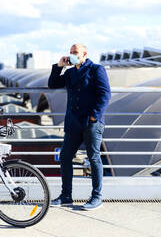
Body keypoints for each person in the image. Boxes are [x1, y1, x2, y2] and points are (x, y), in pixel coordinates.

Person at [48, 44, 111, 210]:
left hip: (91, 122)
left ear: (84, 54)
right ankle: (66, 196)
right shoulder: (69, 72)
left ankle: (96, 197)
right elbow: (53, 84)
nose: (72, 55)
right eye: (71, 53)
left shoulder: (96, 69)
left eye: (75, 53)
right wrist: (59, 66)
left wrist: (94, 116)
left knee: (94, 158)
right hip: (73, 122)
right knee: (65, 156)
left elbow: (105, 94)